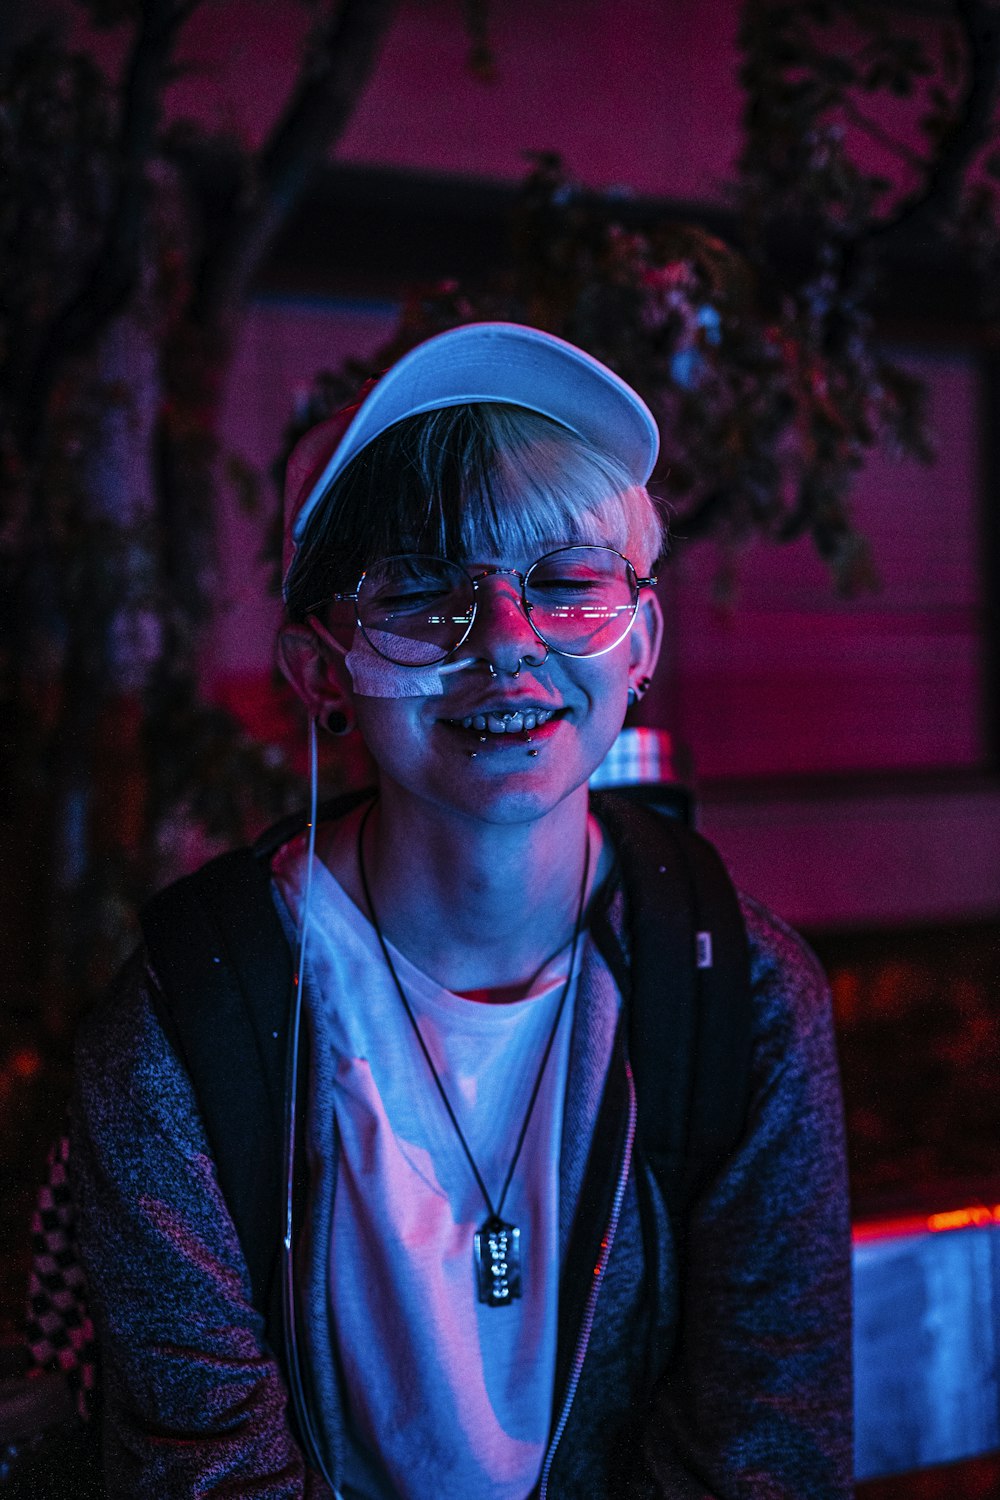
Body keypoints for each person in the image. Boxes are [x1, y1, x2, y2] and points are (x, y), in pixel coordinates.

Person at [69, 322, 852, 1498]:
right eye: (422, 595)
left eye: (567, 583)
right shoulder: (190, 1023)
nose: (504, 643)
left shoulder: (740, 996)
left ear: (640, 640)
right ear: (320, 670)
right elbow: (206, 1469)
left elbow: (764, 1455)